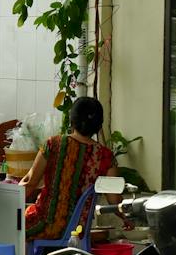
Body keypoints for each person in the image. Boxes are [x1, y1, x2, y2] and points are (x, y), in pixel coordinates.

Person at [23, 97, 116, 239]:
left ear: (72, 120)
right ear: (98, 125)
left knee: (15, 226)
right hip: (79, 230)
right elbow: (114, 200)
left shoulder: (53, 144)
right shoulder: (106, 156)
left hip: (46, 224)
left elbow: (30, 183)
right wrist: (127, 217)